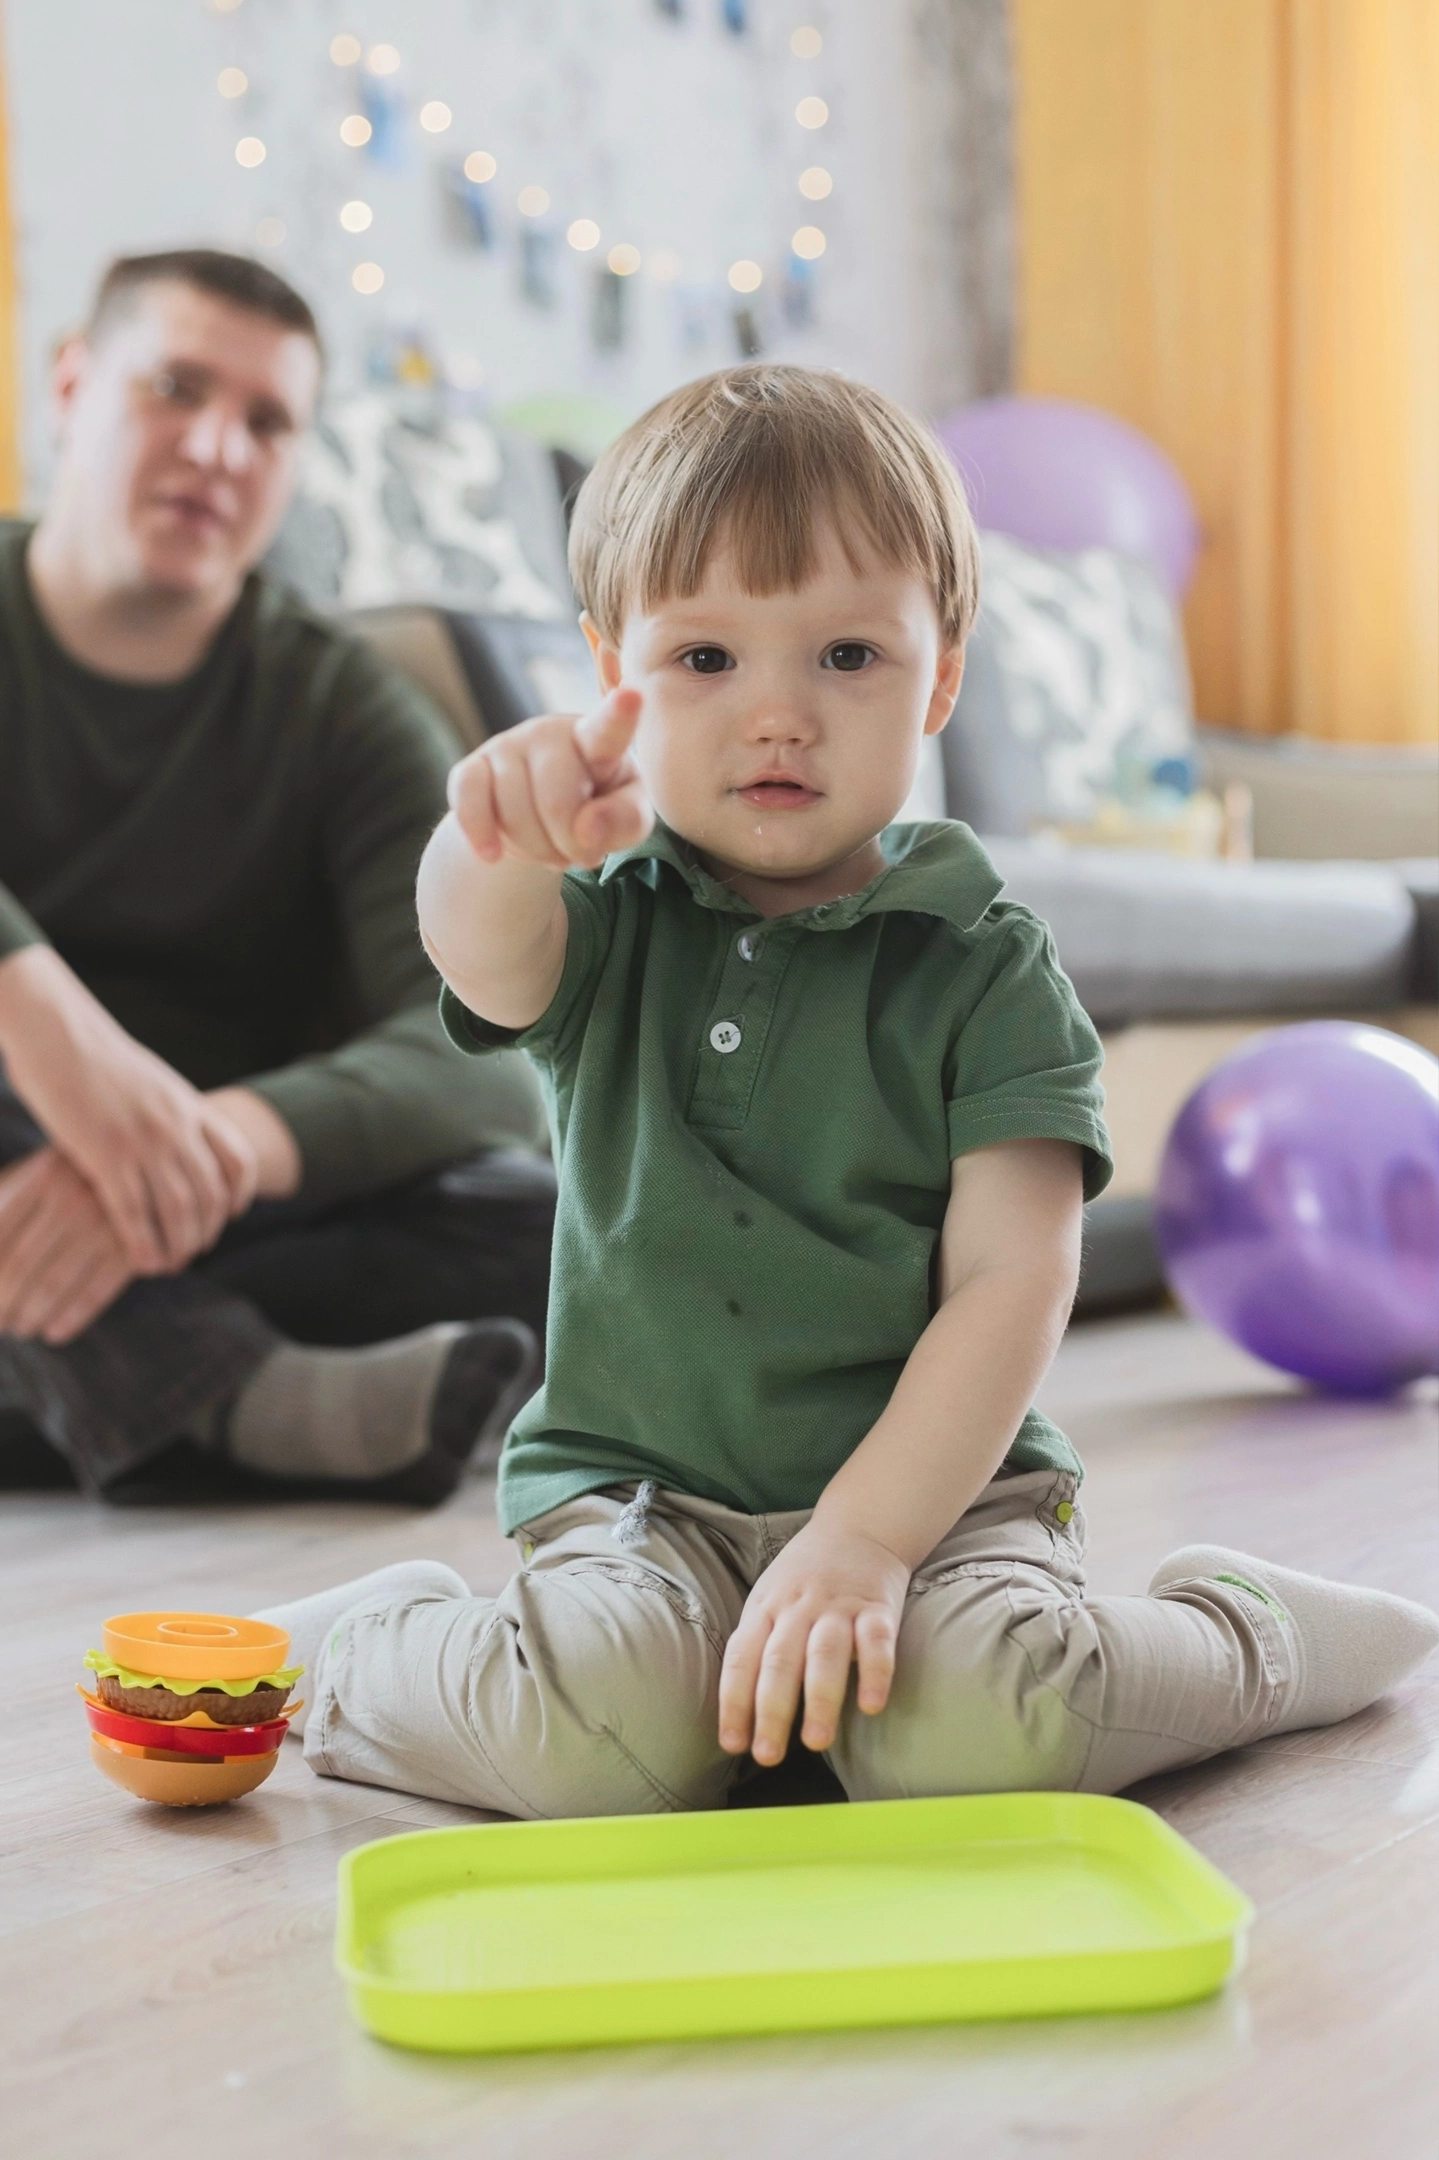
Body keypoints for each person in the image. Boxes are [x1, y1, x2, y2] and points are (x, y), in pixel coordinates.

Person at [259, 364, 1438, 1811]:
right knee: (599, 1747)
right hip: (643, 1503)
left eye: (844, 657)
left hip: (941, 1510)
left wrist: (868, 1542)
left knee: (973, 1738)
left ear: (940, 671)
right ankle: (376, 1644)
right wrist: (495, 832)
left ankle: (1243, 1638)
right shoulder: (607, 916)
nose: (775, 717)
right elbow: (483, 952)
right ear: (606, 671)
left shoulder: (987, 968)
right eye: (702, 660)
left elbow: (1011, 1283)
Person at [0, 249, 552, 1505]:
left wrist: (215, 1150)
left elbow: (480, 1049)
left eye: (265, 422)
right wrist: (44, 1028)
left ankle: (121, 1388)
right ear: (74, 384)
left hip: (216, 1218)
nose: (218, 448)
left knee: (580, 1228)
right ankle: (250, 1401)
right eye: (174, 389)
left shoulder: (343, 705)